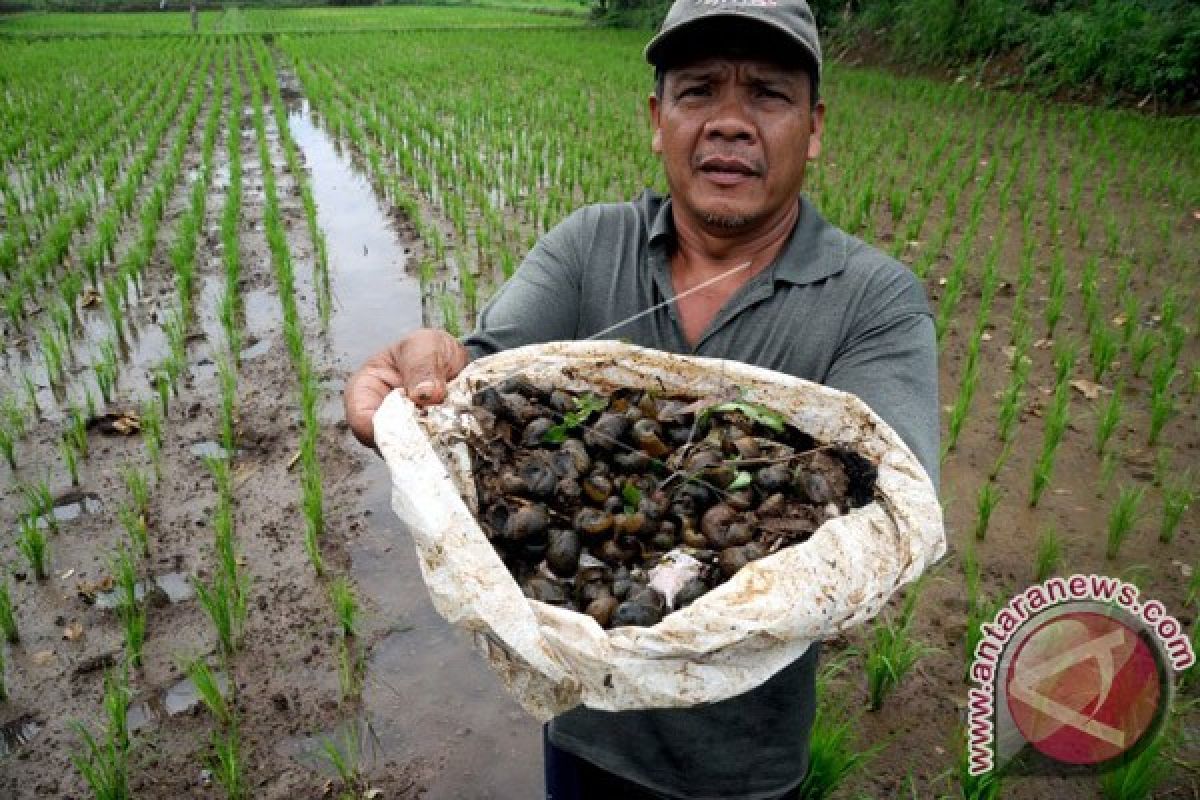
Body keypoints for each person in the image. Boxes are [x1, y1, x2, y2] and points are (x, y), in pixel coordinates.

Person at [345, 0, 939, 796]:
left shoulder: (874, 299)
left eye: (766, 93)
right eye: (699, 91)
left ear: (815, 126)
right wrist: (417, 393)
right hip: (588, 728)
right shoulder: (591, 245)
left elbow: (893, 500)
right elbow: (478, 385)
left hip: (746, 763)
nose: (730, 122)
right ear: (658, 119)